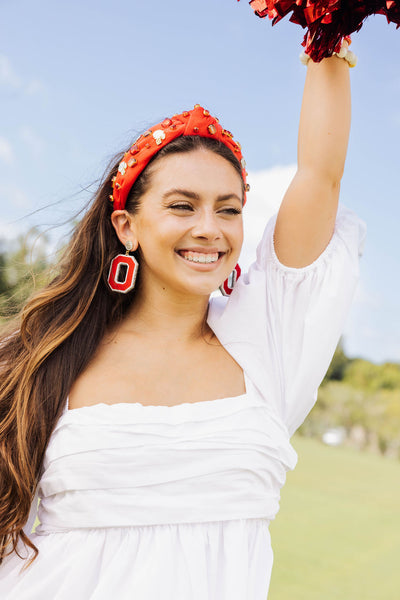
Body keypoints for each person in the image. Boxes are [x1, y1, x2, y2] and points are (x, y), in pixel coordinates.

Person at [0, 38, 366, 599]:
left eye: (229, 208)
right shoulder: (45, 359)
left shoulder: (265, 345)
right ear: (127, 226)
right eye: (181, 205)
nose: (209, 228)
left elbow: (320, 175)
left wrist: (329, 32)